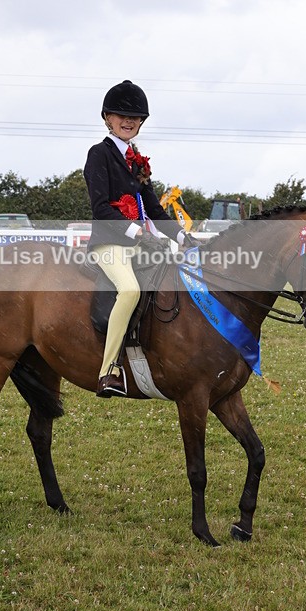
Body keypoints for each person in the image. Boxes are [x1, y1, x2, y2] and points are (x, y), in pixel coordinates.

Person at [84, 79, 196, 398]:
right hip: (109, 243)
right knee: (131, 290)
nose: (128, 121)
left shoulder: (137, 160)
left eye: (134, 118)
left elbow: (157, 211)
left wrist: (183, 237)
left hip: (139, 244)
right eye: (121, 115)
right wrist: (137, 232)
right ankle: (109, 371)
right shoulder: (99, 155)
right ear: (108, 118)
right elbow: (101, 208)